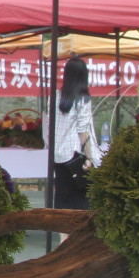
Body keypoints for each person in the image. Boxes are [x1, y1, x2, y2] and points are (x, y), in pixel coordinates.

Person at [47, 55, 100, 210]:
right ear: (84, 76)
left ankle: (61, 227)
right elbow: (83, 131)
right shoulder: (83, 99)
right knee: (81, 201)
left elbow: (50, 124)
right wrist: (89, 157)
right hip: (76, 154)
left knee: (62, 198)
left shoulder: (54, 96)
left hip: (57, 154)